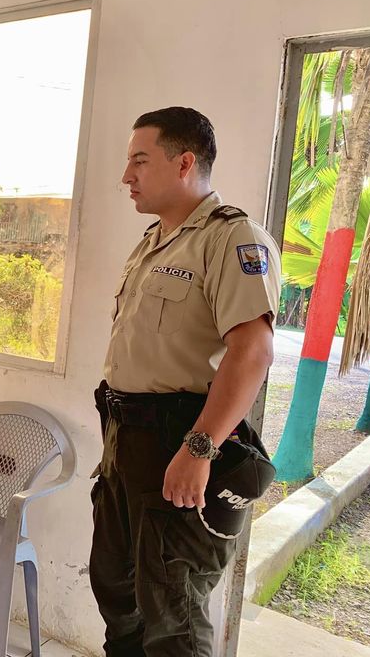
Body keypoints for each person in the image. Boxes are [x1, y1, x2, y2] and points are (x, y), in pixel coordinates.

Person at [90, 107, 282, 656]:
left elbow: (252, 351)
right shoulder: (155, 241)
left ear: (184, 163)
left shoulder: (232, 238)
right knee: (118, 594)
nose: (126, 176)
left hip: (180, 438)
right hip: (125, 441)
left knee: (173, 613)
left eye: (140, 161)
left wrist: (200, 448)